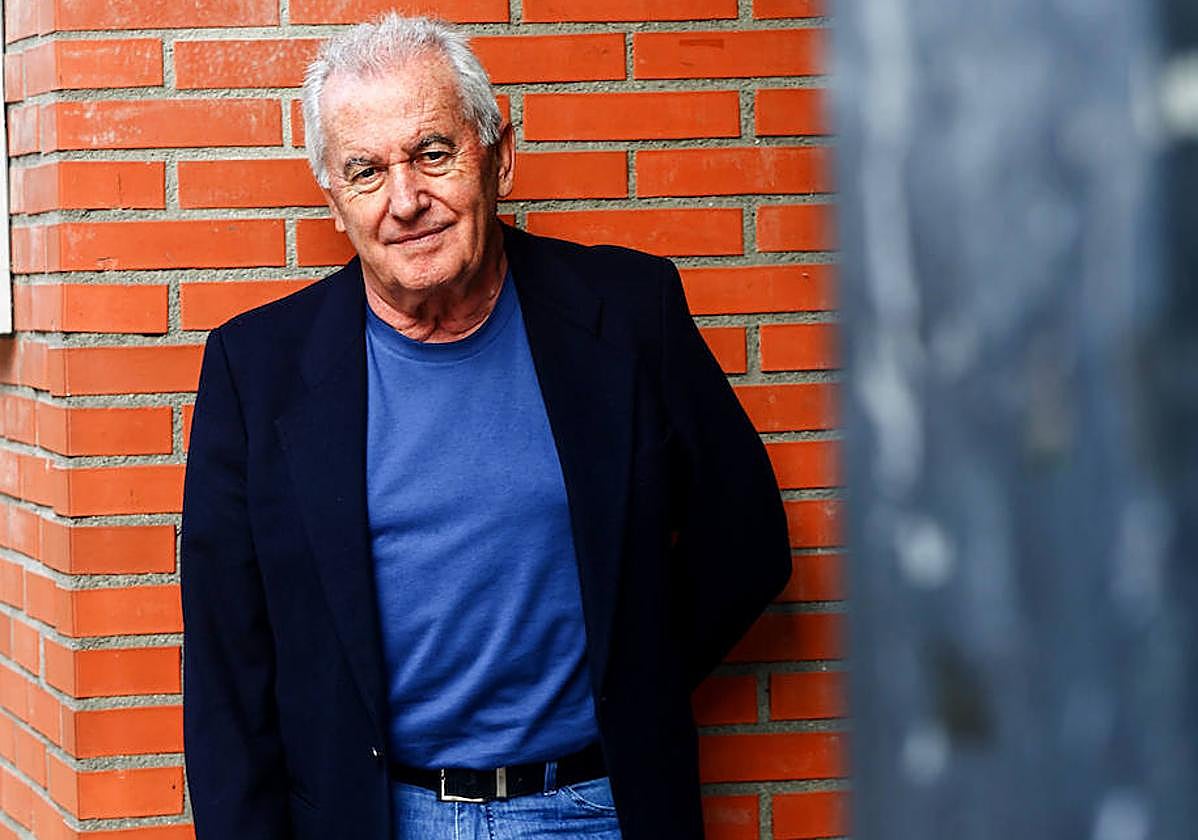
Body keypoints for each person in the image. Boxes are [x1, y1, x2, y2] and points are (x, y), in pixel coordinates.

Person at [180, 13, 791, 840]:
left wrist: (632, 680)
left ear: (499, 154)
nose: (406, 201)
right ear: (335, 200)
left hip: (595, 808)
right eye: (367, 171)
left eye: (433, 153)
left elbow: (747, 541)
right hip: (379, 817)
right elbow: (227, 664)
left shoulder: (628, 314)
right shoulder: (256, 369)